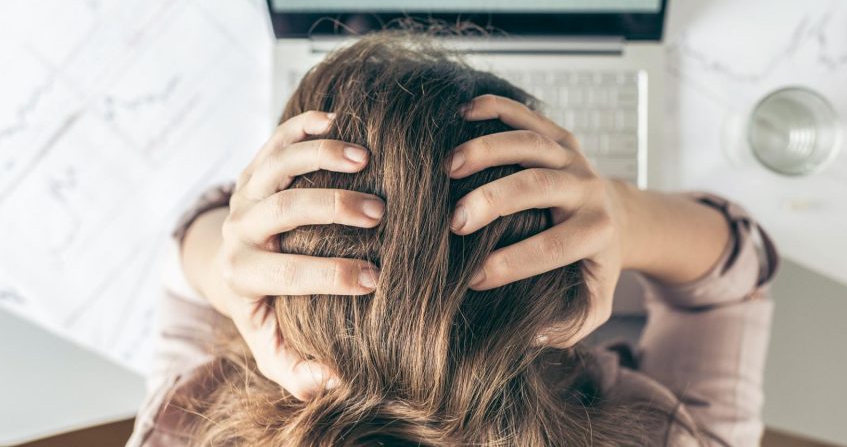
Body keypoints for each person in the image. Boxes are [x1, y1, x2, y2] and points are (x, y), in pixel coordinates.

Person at [126, 33, 777, 447]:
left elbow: (188, 255)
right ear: (555, 290)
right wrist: (621, 214)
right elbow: (734, 282)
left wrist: (218, 262)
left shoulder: (191, 423)